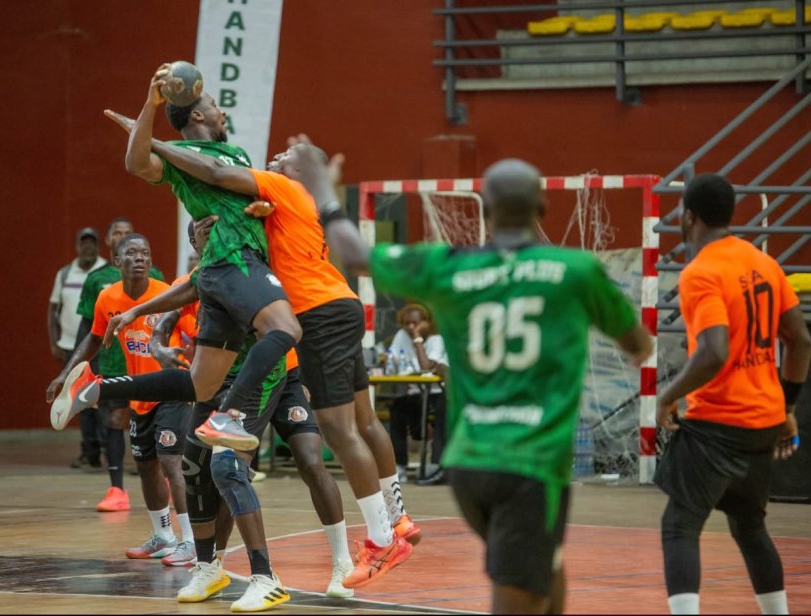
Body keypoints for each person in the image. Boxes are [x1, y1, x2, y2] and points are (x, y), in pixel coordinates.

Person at [289, 147, 654, 614]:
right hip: (530, 464)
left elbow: (352, 252)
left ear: (485, 209)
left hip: (466, 466)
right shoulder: (575, 272)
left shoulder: (451, 266)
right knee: (517, 591)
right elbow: (639, 344)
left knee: (544, 565)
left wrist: (324, 190)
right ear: (542, 208)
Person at [89, 124, 419, 589]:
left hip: (313, 320)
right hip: (337, 305)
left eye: (286, 155)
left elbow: (217, 173)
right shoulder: (276, 209)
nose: (276, 157)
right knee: (359, 423)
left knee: (333, 434)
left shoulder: (282, 188)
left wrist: (157, 142)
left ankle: (379, 541)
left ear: (301, 172)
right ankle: (396, 519)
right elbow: (202, 272)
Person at [52, 64, 303, 452]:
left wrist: (261, 207)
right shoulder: (181, 156)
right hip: (234, 261)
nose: (223, 112)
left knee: (201, 383)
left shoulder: (234, 153)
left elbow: (232, 184)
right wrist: (149, 110)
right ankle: (229, 415)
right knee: (286, 329)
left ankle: (95, 388)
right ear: (198, 114)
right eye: (217, 105)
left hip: (219, 276)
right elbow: (136, 164)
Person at [150, 219, 354, 607]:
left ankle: (342, 562)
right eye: (201, 229)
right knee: (211, 468)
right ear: (192, 239)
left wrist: (310, 375)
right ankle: (211, 567)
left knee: (309, 461)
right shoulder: (200, 277)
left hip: (282, 376)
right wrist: (160, 348)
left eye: (216, 226)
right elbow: (164, 321)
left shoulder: (257, 268)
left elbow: (297, 323)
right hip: (231, 387)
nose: (210, 233)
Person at [654, 174, 811, 616]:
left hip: (718, 423)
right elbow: (800, 341)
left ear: (689, 216)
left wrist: (667, 394)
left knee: (679, 524)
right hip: (764, 422)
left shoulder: (701, 272)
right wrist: (788, 406)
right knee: (748, 524)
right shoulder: (764, 263)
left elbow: (713, 351)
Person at [47, 234, 195, 563]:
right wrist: (65, 373)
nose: (140, 258)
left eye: (145, 252)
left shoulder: (167, 293)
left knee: (172, 461)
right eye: (132, 253)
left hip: (171, 390)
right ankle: (164, 536)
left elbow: (193, 331)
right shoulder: (107, 298)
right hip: (138, 394)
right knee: (146, 466)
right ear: (118, 261)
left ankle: (192, 541)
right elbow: (93, 339)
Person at [72, 217, 164, 511]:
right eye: (118, 234)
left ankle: (166, 482)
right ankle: (116, 489)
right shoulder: (97, 280)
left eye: (129, 233)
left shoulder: (157, 278)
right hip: (113, 363)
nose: (138, 257)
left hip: (152, 366)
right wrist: (75, 366)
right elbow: (90, 328)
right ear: (111, 243)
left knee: (160, 426)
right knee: (114, 421)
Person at [48, 226, 106, 469]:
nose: (88, 247)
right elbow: (53, 310)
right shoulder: (64, 274)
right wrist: (54, 342)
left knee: (103, 399)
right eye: (84, 243)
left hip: (99, 347)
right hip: (71, 348)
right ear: (77, 246)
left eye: (92, 243)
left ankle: (107, 450)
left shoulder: (106, 272)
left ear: (98, 246)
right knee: (78, 401)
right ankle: (89, 451)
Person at [385, 303, 449, 485]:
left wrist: (418, 339)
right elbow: (392, 363)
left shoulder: (436, 339)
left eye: (414, 323)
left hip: (436, 393)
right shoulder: (401, 336)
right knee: (397, 408)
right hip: (415, 392)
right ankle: (399, 466)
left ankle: (435, 464)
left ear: (426, 323)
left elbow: (426, 367)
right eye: (406, 324)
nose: (409, 327)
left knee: (442, 410)